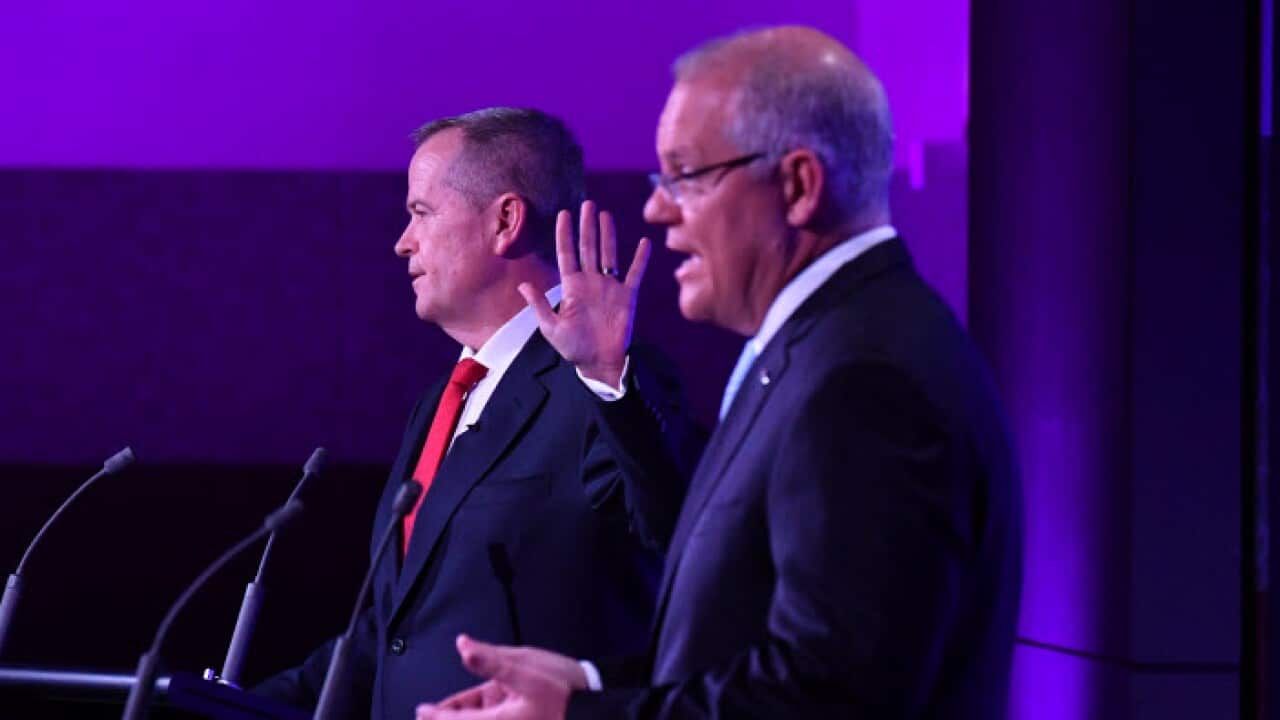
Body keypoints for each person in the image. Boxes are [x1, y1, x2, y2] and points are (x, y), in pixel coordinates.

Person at [416, 26, 1023, 720]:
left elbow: (825, 697)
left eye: (686, 176)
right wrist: (584, 681)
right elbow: (742, 646)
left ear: (797, 186)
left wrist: (578, 718)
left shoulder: (865, 379)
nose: (655, 207)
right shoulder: (825, 345)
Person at [255, 107, 699, 720]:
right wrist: (221, 707)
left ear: (505, 221)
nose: (402, 241)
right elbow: (392, 635)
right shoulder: (441, 400)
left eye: (420, 213)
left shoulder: (605, 380)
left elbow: (681, 534)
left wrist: (607, 376)